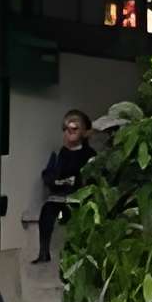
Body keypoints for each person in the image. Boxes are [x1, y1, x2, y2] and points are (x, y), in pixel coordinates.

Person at [36, 109, 96, 258]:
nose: (69, 132)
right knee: (47, 212)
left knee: (79, 218)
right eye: (66, 129)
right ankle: (44, 252)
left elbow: (92, 177)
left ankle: (78, 253)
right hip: (59, 195)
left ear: (83, 132)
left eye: (74, 129)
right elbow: (48, 174)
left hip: (79, 197)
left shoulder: (90, 155)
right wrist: (55, 181)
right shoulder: (59, 153)